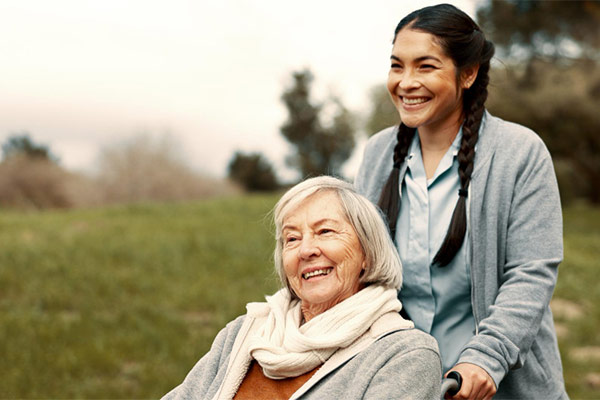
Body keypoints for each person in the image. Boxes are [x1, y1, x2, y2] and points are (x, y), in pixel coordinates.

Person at [355, 3, 567, 399]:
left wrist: (484, 359)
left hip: (498, 384)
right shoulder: (378, 154)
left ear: (467, 74)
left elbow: (530, 275)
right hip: (402, 383)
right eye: (397, 65)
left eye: (426, 66)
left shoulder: (520, 153)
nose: (406, 82)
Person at [162, 176, 442, 400]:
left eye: (325, 232)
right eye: (292, 239)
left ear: (367, 253)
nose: (306, 250)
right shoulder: (243, 333)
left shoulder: (405, 355)